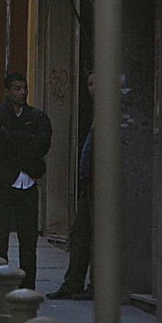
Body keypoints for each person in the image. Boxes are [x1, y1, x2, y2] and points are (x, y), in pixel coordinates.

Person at [0, 72, 53, 290]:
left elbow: (42, 144)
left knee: (28, 239)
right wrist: (24, 138)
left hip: (28, 182)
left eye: (24, 88)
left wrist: (12, 140)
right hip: (4, 183)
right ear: (7, 91)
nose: (22, 92)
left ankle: (28, 286)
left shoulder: (37, 116)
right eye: (17, 88)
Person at [49, 70, 95, 300]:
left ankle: (91, 284)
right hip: (90, 187)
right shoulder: (93, 113)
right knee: (79, 235)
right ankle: (73, 283)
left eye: (96, 84)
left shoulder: (109, 112)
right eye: (89, 84)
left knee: (93, 235)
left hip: (100, 186)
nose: (92, 89)